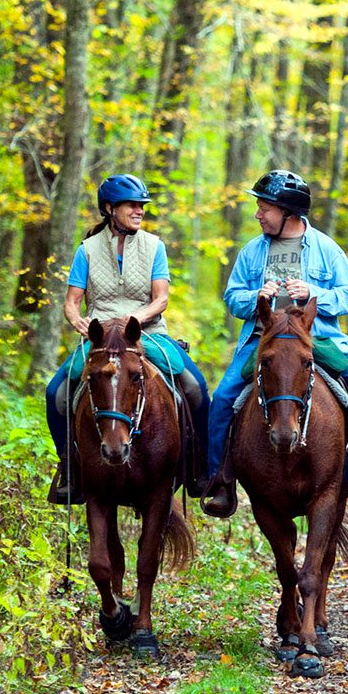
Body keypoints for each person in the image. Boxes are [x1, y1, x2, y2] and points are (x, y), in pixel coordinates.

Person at [201, 170, 348, 518]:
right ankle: (218, 480)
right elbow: (232, 297)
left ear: (288, 212)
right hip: (262, 341)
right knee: (221, 399)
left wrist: (315, 294)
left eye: (265, 208)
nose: (258, 214)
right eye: (259, 207)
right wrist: (255, 297)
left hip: (318, 339)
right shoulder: (252, 252)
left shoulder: (326, 249)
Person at [45, 174, 210, 503]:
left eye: (142, 206)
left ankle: (200, 466)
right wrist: (80, 322)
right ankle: (70, 467)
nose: (139, 211)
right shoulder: (87, 250)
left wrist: (138, 318)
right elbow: (71, 301)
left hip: (146, 333)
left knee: (195, 386)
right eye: (132, 205)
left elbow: (161, 299)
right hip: (101, 338)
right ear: (109, 209)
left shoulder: (154, 247)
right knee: (57, 392)